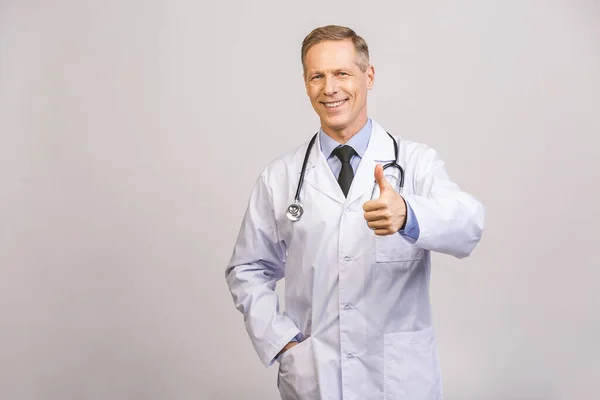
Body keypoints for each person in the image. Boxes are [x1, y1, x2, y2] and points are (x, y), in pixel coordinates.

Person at [225, 25, 484, 400]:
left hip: (398, 380)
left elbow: (469, 225)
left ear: (369, 76)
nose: (330, 88)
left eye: (342, 73)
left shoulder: (414, 162)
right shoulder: (280, 176)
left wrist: (408, 215)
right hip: (316, 377)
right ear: (305, 83)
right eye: (318, 76)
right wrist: (283, 343)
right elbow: (247, 269)